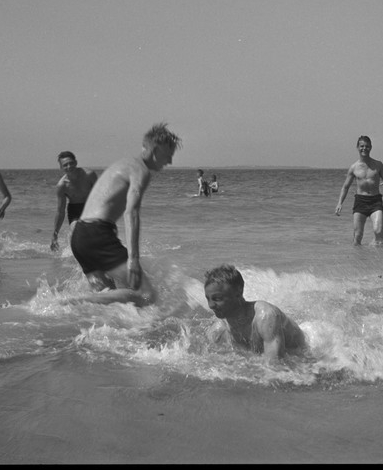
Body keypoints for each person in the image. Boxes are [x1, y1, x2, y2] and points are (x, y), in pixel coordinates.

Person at [69, 123, 182, 306]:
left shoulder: (123, 164)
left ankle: (71, 306)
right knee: (147, 296)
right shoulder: (141, 170)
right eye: (168, 155)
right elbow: (132, 212)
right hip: (97, 234)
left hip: (80, 236)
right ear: (156, 149)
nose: (170, 161)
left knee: (109, 303)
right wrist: (133, 259)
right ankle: (71, 302)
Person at [203, 264, 306, 361]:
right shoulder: (219, 330)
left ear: (238, 293)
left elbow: (276, 365)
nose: (211, 305)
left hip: (305, 350)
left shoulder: (266, 317)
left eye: (217, 298)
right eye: (208, 299)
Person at [334, 135, 383, 245]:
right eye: (362, 146)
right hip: (360, 202)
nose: (364, 148)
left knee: (378, 231)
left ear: (371, 147)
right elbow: (345, 187)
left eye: (367, 146)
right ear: (358, 147)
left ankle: (380, 257)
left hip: (375, 201)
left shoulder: (378, 165)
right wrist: (339, 203)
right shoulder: (354, 167)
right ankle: (359, 259)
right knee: (358, 236)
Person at [50, 151, 99, 251]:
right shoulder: (62, 186)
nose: (69, 166)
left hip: (91, 207)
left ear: (76, 162)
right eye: (65, 165)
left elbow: (101, 195)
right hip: (75, 210)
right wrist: (55, 234)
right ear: (61, 167)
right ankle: (75, 256)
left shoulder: (89, 175)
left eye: (71, 163)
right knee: (76, 231)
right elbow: (60, 211)